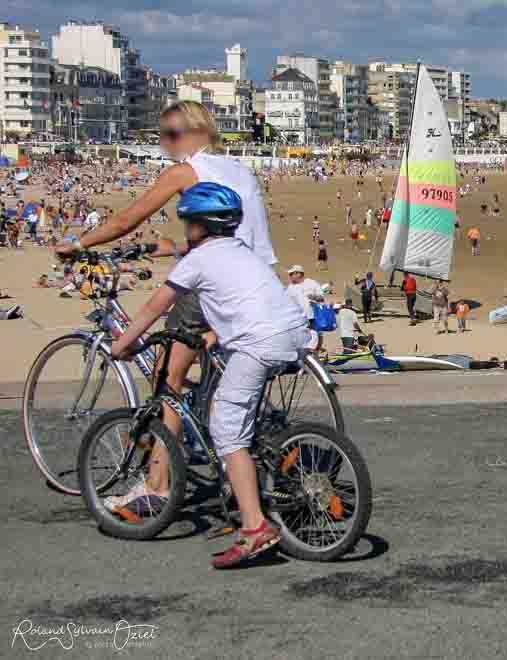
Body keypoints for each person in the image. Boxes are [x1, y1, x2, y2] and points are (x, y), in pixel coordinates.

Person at [56, 101, 277, 465]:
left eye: (172, 135)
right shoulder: (239, 169)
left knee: (165, 376)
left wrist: (79, 244)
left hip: (217, 283)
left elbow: (127, 219)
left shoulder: (186, 172)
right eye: (163, 135)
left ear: (198, 133)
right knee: (200, 360)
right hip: (257, 278)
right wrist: (175, 248)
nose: (166, 143)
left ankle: (159, 484)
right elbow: (234, 231)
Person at [109, 183, 309, 569]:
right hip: (294, 334)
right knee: (233, 406)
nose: (185, 228)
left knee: (227, 430)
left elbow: (155, 307)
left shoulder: (197, 261)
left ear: (199, 224)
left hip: (258, 343)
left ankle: (254, 529)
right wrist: (213, 334)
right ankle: (254, 477)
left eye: (187, 221)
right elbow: (247, 300)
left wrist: (122, 345)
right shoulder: (242, 252)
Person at [286, 264, 324, 353]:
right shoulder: (290, 288)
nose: (290, 276)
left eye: (291, 274)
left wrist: (314, 297)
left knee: (316, 334)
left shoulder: (311, 283)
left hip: (313, 315)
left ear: (299, 274)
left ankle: (313, 353)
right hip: (298, 318)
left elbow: (321, 297)